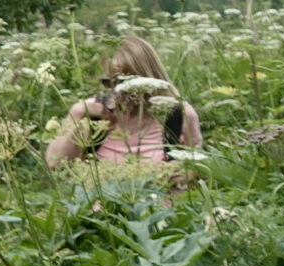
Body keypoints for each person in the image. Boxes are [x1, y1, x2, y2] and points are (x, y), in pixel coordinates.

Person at [45, 36, 203, 168]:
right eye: (109, 82)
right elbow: (55, 163)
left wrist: (186, 174)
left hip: (162, 204)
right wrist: (77, 112)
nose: (118, 90)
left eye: (126, 82)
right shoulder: (92, 114)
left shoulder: (179, 115)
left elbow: (198, 168)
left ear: (149, 78)